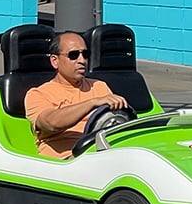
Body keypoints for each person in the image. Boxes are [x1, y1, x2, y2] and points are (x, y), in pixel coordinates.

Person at [24, 31, 129, 159]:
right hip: (66, 160)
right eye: (73, 55)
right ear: (55, 61)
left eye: (85, 54)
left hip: (101, 153)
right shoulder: (38, 94)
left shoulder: (99, 86)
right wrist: (92, 103)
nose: (82, 60)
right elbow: (50, 123)